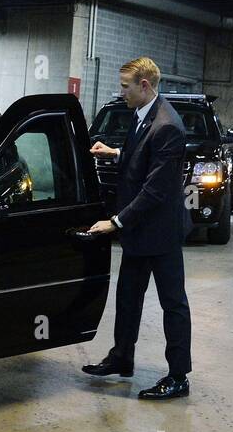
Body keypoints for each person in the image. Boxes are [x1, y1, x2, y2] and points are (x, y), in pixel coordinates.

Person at [81, 57, 193, 400]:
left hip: (160, 233)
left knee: (172, 303)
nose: (121, 92)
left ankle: (178, 376)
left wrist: (115, 222)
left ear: (144, 85)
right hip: (140, 233)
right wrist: (114, 153)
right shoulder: (143, 115)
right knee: (128, 297)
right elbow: (142, 157)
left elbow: (155, 189)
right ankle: (122, 357)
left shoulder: (168, 125)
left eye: (125, 86)